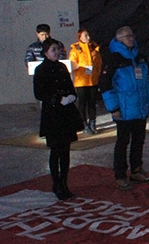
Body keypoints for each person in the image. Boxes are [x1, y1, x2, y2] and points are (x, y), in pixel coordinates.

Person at [99, 26, 149, 191]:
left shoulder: (140, 57)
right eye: (127, 36)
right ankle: (120, 174)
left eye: (132, 35)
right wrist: (113, 108)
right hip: (123, 109)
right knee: (123, 142)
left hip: (140, 108)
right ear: (119, 39)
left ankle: (137, 170)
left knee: (139, 140)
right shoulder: (113, 59)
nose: (131, 38)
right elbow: (105, 84)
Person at [34, 38, 84, 200]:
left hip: (66, 115)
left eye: (58, 50)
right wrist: (56, 99)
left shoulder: (62, 67)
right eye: (53, 50)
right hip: (53, 115)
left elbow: (70, 87)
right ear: (46, 52)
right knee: (56, 150)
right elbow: (39, 93)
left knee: (66, 151)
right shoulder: (41, 70)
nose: (57, 53)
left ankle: (64, 182)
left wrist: (71, 96)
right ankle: (56, 183)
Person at [69, 28, 102, 134]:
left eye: (88, 35)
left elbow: (99, 64)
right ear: (80, 38)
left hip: (92, 81)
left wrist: (96, 75)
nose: (88, 37)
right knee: (82, 104)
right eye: (85, 36)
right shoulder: (76, 50)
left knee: (92, 103)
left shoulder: (94, 49)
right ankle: (84, 124)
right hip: (81, 82)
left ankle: (93, 123)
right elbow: (72, 64)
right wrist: (83, 68)